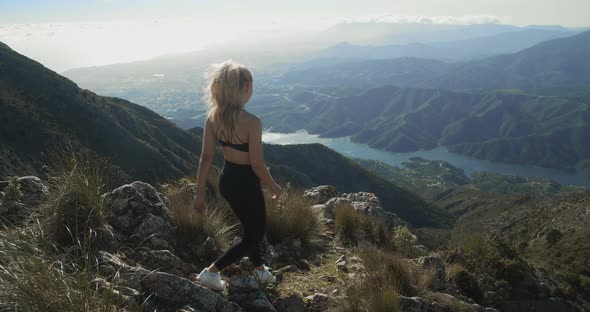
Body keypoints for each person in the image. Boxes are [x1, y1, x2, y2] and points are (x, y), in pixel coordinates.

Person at [191, 60, 283, 291]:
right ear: (245, 87)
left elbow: (206, 158)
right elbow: (258, 164)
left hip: (227, 182)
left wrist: (199, 193)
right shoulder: (252, 122)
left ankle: (261, 272)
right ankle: (211, 272)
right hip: (247, 183)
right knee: (255, 234)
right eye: (249, 85)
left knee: (249, 229)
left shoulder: (213, 118)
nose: (251, 88)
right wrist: (274, 187)